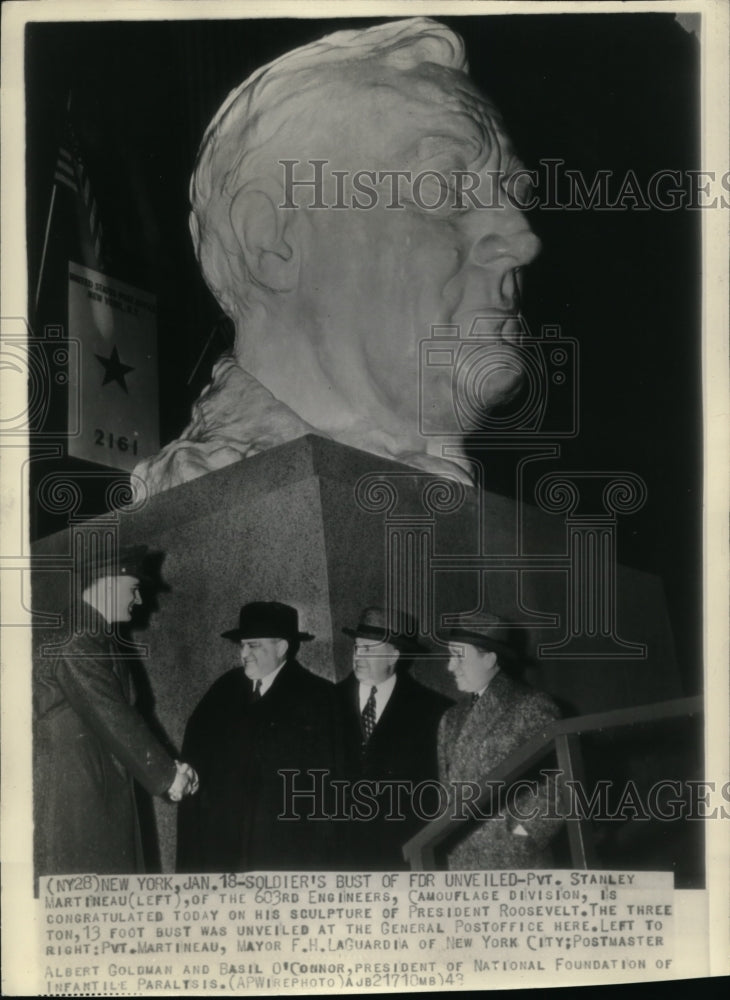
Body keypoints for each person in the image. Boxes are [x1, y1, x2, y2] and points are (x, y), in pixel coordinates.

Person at [134, 16, 540, 495]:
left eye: (516, 196)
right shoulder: (209, 506)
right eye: (443, 189)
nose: (522, 241)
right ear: (270, 240)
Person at [33, 544, 197, 877]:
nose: (138, 601)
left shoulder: (96, 636)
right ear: (109, 585)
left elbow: (124, 714)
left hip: (93, 795)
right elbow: (111, 713)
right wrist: (167, 775)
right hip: (77, 805)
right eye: (134, 590)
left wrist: (169, 767)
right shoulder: (77, 637)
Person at [176, 601, 341, 872]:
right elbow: (195, 752)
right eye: (241, 645)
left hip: (284, 851)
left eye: (253, 646)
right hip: (223, 847)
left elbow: (326, 789)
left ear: (282, 647)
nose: (243, 654)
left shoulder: (318, 697)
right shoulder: (223, 690)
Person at [437, 620, 563, 869]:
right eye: (450, 656)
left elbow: (560, 783)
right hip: (460, 865)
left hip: (515, 864)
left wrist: (521, 835)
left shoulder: (530, 705)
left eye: (459, 657)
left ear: (490, 659)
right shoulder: (450, 719)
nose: (450, 666)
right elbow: (446, 794)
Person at [336, 607, 453, 869]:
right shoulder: (324, 703)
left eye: (369, 649)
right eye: (357, 648)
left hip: (403, 859)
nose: (358, 657)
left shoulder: (434, 710)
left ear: (394, 654)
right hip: (338, 860)